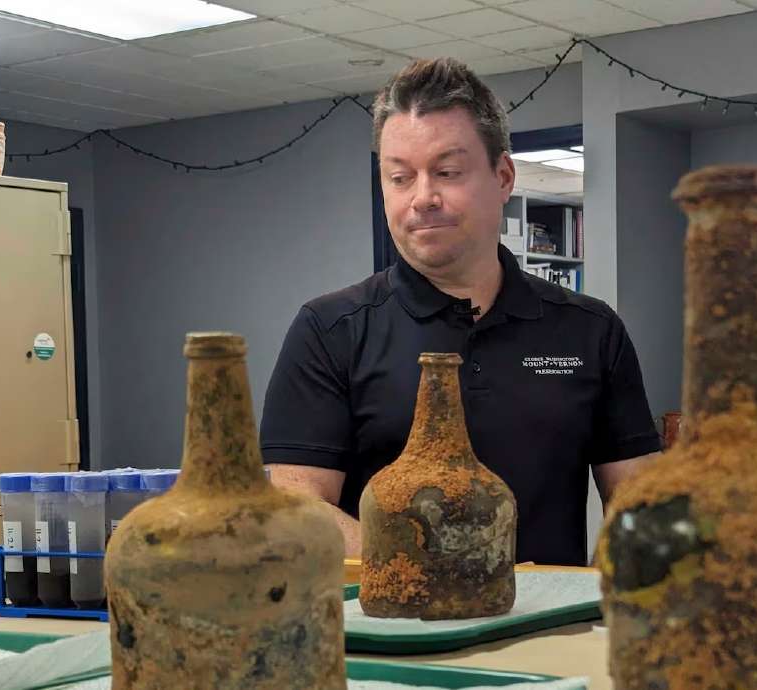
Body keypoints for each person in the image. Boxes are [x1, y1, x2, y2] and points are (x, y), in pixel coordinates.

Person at [260, 57, 662, 567]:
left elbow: (638, 505)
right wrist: (444, 574)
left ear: (503, 176)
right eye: (400, 177)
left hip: (549, 635)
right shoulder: (330, 330)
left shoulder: (591, 330)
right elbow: (297, 508)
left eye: (447, 172)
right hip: (390, 637)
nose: (423, 198)